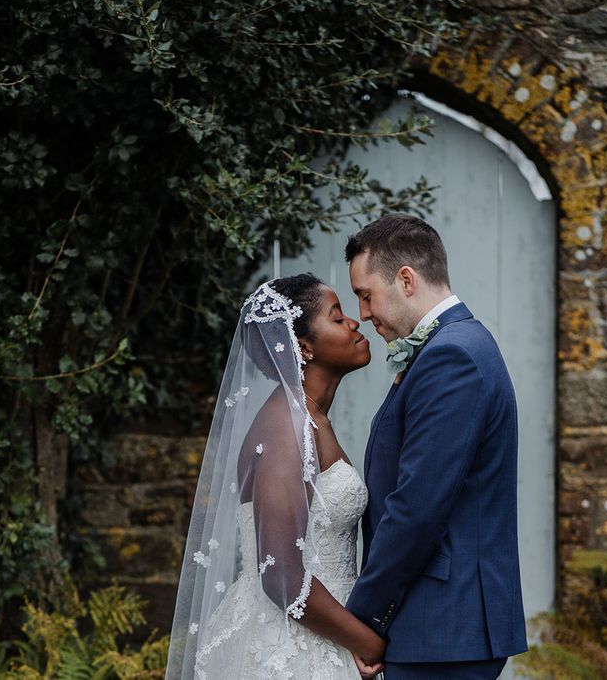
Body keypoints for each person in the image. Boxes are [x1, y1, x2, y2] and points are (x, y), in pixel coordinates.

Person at [165, 273, 385, 679]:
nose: (354, 322)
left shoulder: (309, 418)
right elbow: (280, 574)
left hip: (326, 632)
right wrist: (369, 643)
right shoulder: (286, 425)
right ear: (303, 346)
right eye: (337, 317)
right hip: (291, 647)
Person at [344, 214, 528, 679]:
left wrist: (361, 618)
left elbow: (417, 506)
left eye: (366, 295)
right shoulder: (455, 345)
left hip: (444, 626)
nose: (363, 314)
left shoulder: (452, 355)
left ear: (406, 279)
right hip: (444, 627)